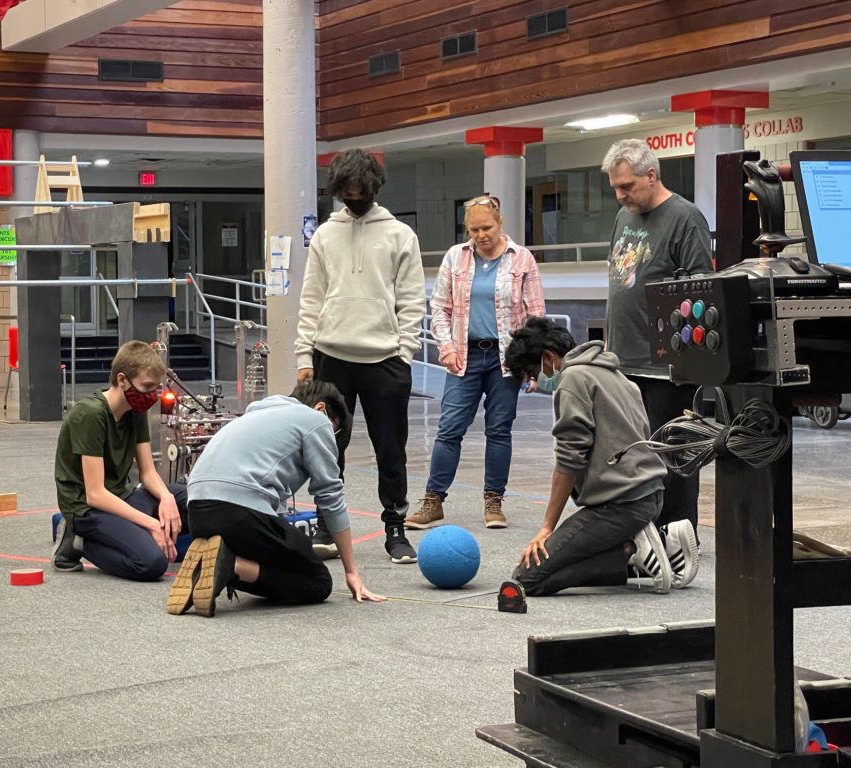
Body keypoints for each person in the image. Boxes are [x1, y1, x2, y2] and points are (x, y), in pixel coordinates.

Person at [295, 148, 426, 565]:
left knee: (391, 449)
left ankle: (395, 528)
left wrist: (404, 352)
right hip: (330, 355)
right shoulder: (325, 235)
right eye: (346, 194)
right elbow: (311, 298)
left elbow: (411, 299)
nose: (353, 199)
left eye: (360, 192)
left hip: (385, 358)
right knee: (328, 447)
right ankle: (326, 525)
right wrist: (304, 355)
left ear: (373, 188)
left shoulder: (399, 234)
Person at [504, 316, 698, 596]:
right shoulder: (613, 372)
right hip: (651, 495)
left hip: (621, 505)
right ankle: (653, 546)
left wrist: (547, 527)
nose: (536, 383)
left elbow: (569, 460)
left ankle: (634, 551)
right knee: (567, 556)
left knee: (527, 578)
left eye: (534, 375)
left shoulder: (572, 379)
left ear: (548, 357)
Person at [167, 381, 384, 618]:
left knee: (280, 552)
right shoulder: (316, 420)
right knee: (318, 581)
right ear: (321, 408)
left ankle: (214, 563)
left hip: (198, 512)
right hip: (239, 511)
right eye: (334, 432)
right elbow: (330, 495)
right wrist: (351, 571)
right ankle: (230, 565)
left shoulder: (254, 416)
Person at [601, 138, 711, 588]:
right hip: (624, 361)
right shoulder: (623, 216)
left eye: (627, 186)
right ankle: (644, 539)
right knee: (634, 459)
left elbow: (702, 290)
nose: (621, 195)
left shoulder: (685, 217)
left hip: (667, 367)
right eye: (615, 187)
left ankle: (681, 538)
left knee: (674, 456)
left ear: (652, 175)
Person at [405, 195, 545, 531]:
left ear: (500, 224)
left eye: (486, 228)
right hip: (464, 356)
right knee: (449, 430)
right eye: (473, 229)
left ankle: (494, 502)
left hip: (505, 360)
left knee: (499, 430)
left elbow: (535, 315)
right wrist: (446, 346)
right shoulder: (456, 257)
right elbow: (439, 307)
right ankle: (433, 501)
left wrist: (533, 364)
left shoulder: (522, 259)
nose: (480, 235)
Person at [52, 340, 185, 581]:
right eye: (147, 386)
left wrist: (166, 498)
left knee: (192, 499)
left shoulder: (136, 411)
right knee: (151, 563)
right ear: (122, 380)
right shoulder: (90, 414)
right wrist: (152, 524)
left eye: (156, 387)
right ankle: (79, 542)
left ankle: (138, 531)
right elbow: (95, 494)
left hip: (123, 497)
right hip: (88, 509)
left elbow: (147, 472)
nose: (152, 396)